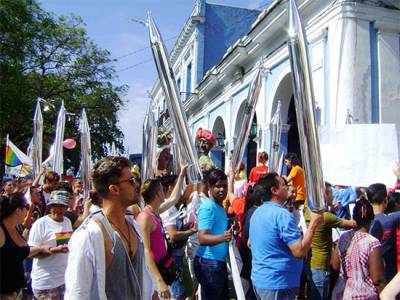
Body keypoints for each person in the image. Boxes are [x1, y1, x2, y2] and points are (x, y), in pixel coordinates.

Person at [65, 156, 155, 299]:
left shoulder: (134, 226)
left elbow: (145, 279)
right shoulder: (88, 236)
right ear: (114, 189)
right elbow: (77, 293)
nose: (137, 184)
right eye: (131, 181)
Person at [250, 172, 322, 300]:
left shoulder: (258, 212)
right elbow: (299, 252)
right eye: (284, 185)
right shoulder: (282, 215)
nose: (287, 188)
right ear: (274, 190)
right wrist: (313, 225)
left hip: (262, 280)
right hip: (277, 283)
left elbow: (250, 243)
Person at [137, 165, 187, 300]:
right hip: (154, 275)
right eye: (161, 189)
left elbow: (173, 199)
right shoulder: (145, 217)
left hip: (162, 268)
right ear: (157, 194)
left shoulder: (154, 212)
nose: (164, 192)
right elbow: (145, 251)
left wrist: (182, 173)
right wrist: (159, 281)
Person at [304, 182, 356, 300]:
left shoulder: (307, 209)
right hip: (321, 266)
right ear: (324, 196)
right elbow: (352, 224)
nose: (333, 197)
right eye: (331, 193)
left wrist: (330, 208)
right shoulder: (326, 216)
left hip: (310, 262)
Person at [332, 198, 386, 299]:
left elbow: (335, 266)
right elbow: (378, 280)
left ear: (354, 217)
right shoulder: (372, 243)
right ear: (372, 218)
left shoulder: (343, 238)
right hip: (363, 295)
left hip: (343, 293)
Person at [0, 193, 51, 299]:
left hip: (18, 292)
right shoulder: (1, 230)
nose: (29, 212)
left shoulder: (16, 228)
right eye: (27, 207)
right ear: (18, 211)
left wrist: (41, 248)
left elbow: (22, 251)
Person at [194, 169, 232, 300]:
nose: (222, 189)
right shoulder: (208, 207)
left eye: (225, 186)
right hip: (208, 264)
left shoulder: (219, 207)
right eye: (218, 186)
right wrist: (224, 237)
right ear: (210, 187)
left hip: (216, 263)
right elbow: (202, 238)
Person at [28, 190, 73, 299]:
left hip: (63, 279)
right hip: (46, 282)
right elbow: (29, 252)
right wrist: (51, 250)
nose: (59, 209)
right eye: (56, 206)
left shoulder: (67, 221)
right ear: (50, 206)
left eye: (63, 206)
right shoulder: (41, 224)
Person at [160, 175, 197, 300]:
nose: (182, 188)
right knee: (178, 294)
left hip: (178, 255)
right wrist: (191, 231)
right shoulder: (167, 208)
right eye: (179, 185)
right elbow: (173, 235)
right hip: (173, 257)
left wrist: (186, 228)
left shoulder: (171, 207)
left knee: (183, 291)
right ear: (171, 188)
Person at [368, 183, 400, 281]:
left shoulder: (362, 222)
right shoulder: (391, 219)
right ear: (386, 200)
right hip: (387, 275)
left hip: (368, 275)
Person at [240, 184, 265, 299]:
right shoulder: (257, 213)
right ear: (262, 199)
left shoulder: (250, 210)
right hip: (252, 260)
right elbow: (251, 242)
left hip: (248, 258)